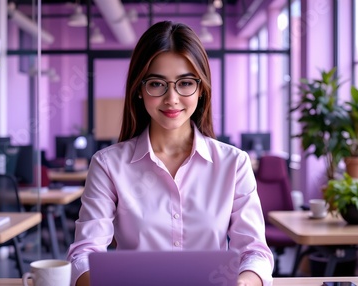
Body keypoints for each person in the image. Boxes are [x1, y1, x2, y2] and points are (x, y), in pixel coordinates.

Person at [67, 21, 274, 286]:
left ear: (201, 89)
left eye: (185, 83)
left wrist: (243, 282)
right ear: (140, 90)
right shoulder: (108, 165)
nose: (172, 98)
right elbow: (85, 251)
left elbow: (254, 251)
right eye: (157, 84)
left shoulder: (234, 164)